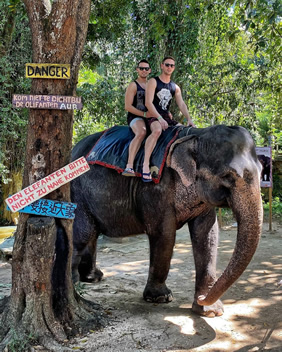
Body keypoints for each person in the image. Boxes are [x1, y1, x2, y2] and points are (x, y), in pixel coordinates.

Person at [143, 56, 195, 182]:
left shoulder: (175, 87)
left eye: (172, 65)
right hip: (153, 115)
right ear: (162, 65)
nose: (169, 67)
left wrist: (189, 119)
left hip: (166, 117)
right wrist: (159, 118)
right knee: (156, 131)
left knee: (184, 131)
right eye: (167, 65)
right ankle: (145, 165)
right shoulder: (153, 82)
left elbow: (181, 104)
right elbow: (148, 103)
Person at [122, 59, 152, 177]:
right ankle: (129, 166)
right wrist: (143, 114)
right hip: (136, 117)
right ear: (137, 70)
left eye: (146, 68)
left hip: (150, 117)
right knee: (141, 132)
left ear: (149, 70)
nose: (144, 70)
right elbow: (127, 106)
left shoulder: (151, 84)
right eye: (141, 68)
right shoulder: (133, 85)